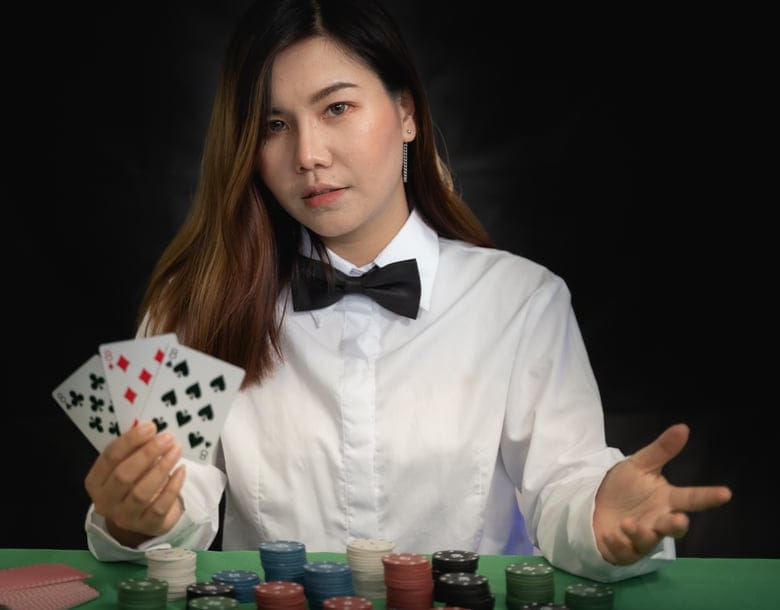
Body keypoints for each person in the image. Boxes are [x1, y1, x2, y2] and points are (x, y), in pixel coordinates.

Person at [82, 0, 732, 583]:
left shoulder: (522, 300)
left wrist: (597, 517)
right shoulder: (190, 302)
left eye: (336, 108)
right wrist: (139, 516)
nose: (308, 153)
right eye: (273, 126)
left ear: (407, 113)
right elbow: (174, 515)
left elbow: (565, 488)